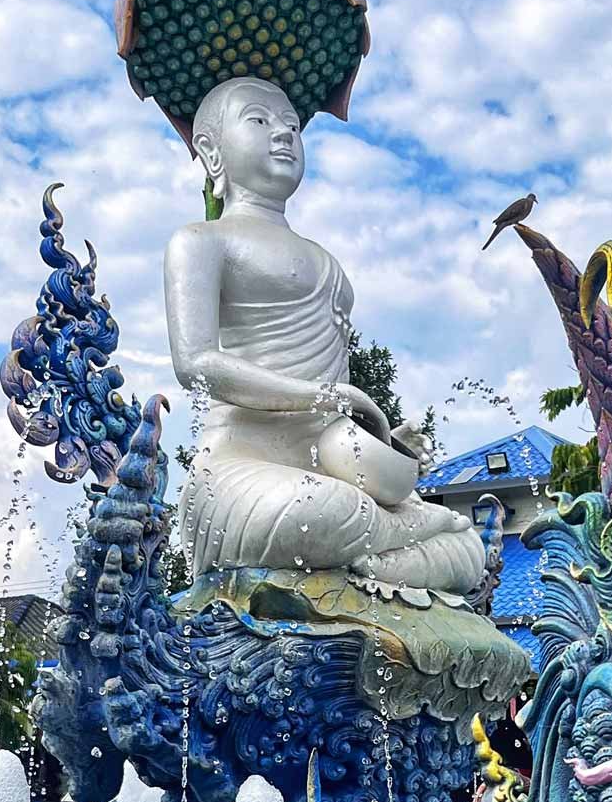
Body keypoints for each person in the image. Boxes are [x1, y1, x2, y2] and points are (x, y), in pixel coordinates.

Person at [162, 78, 486, 594]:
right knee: (320, 513)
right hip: (245, 466)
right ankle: (401, 541)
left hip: (335, 459)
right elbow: (196, 363)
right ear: (211, 151)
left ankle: (372, 561)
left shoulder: (323, 257)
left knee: (470, 551)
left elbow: (335, 388)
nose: (283, 134)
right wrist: (324, 396)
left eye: (292, 125)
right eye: (259, 121)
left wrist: (382, 445)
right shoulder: (202, 241)